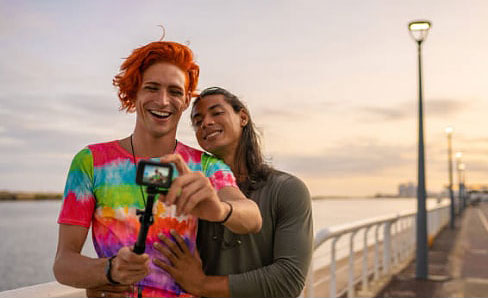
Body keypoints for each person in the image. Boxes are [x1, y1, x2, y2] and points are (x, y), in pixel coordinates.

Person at [53, 42, 262, 298]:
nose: (163, 101)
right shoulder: (90, 162)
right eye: (151, 88)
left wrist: (219, 210)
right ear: (134, 93)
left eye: (175, 91)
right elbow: (63, 263)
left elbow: (252, 217)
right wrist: (109, 269)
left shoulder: (206, 166)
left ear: (186, 100)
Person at [153, 87, 314, 297]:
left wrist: (202, 285)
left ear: (243, 117)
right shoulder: (191, 191)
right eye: (197, 121)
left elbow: (288, 280)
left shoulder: (287, 189)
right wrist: (112, 277)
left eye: (216, 112)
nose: (206, 123)